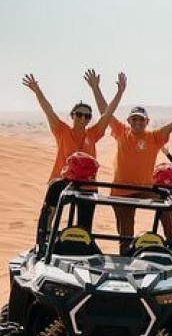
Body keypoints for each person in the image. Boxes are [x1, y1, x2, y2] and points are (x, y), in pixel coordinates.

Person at [89, 77, 172, 242]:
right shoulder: (121, 132)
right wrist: (96, 88)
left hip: (145, 189)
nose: (137, 122)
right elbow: (105, 112)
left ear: (147, 121)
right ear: (129, 121)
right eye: (134, 119)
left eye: (141, 119)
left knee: (167, 204)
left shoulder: (154, 137)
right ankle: (126, 253)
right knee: (126, 236)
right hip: (121, 191)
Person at [25, 70, 125, 233]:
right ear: (72, 116)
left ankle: (81, 242)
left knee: (84, 225)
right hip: (62, 180)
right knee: (49, 211)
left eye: (87, 116)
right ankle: (44, 238)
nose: (83, 118)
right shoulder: (62, 130)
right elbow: (48, 109)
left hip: (87, 184)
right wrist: (37, 90)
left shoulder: (93, 133)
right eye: (79, 115)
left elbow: (108, 113)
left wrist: (117, 92)